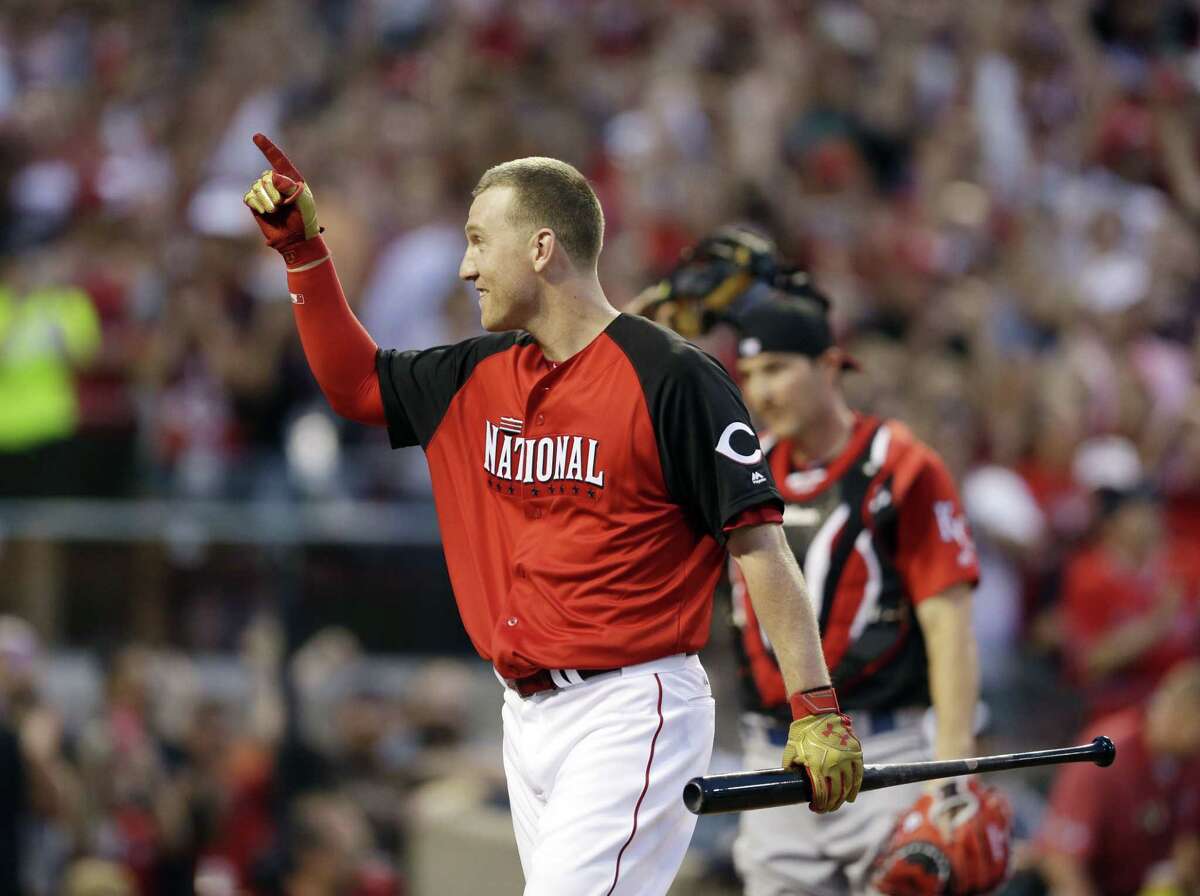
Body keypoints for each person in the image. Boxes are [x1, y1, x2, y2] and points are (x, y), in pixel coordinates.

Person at [241, 135, 863, 895]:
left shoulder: (675, 377)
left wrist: (815, 707)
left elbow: (760, 548)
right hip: (524, 716)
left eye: (478, 241)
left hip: (633, 707)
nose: (466, 267)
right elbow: (356, 386)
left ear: (541, 247)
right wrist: (304, 255)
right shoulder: (478, 375)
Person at [722, 292, 1005, 895]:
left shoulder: (901, 465)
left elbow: (950, 624)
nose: (760, 391)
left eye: (777, 367)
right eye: (748, 374)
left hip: (883, 755)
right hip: (770, 761)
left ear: (829, 366)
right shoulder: (744, 468)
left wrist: (952, 771)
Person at [1037, 659, 1200, 896]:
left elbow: (1187, 849)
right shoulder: (1106, 755)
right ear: (1186, 715)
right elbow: (1062, 861)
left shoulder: (1189, 763)